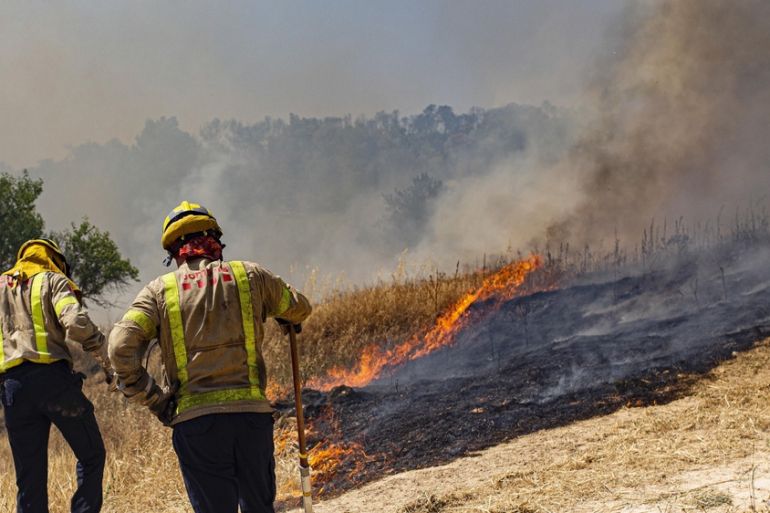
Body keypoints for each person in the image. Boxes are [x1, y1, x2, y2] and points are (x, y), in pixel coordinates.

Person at [109, 201, 311, 513]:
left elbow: (119, 346)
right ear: (215, 240)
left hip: (197, 425)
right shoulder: (250, 275)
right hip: (251, 420)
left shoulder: (159, 291)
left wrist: (154, 399)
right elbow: (300, 307)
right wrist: (284, 316)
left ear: (174, 251)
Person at [0, 238, 110, 513]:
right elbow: (75, 322)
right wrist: (104, 354)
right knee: (92, 455)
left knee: (29, 480)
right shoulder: (52, 280)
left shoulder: (1, 285)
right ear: (54, 260)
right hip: (53, 382)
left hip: (13, 390)